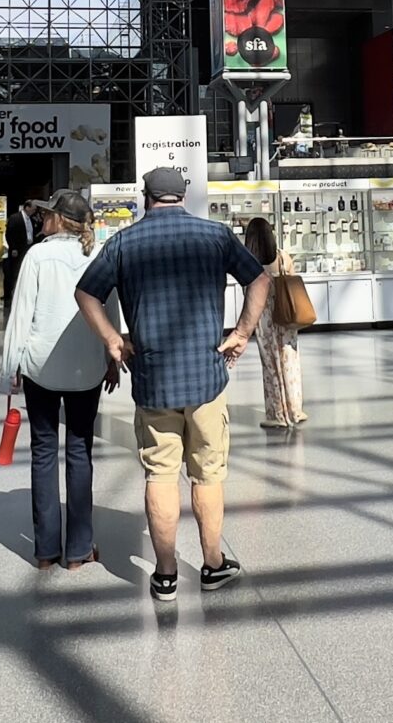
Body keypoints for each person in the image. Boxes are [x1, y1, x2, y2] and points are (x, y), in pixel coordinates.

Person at [73, 166, 272, 601]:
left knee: (160, 474)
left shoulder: (124, 242)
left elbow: (86, 292)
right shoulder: (215, 236)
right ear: (183, 196)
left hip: (153, 379)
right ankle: (213, 563)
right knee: (207, 474)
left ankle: (165, 575)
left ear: (147, 197)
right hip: (206, 377)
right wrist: (241, 334)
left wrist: (112, 340)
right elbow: (260, 279)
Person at [2, 191, 120, 569]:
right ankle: (79, 549)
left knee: (43, 451)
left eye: (47, 215)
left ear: (56, 220)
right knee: (81, 450)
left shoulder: (37, 255)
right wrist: (111, 356)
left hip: (41, 367)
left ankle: (45, 550)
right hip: (87, 367)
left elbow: (21, 313)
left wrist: (11, 366)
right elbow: (109, 309)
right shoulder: (97, 255)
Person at [244, 217, 307, 429]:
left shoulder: (249, 261)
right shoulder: (282, 256)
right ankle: (295, 410)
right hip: (286, 315)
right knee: (290, 360)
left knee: (270, 364)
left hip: (263, 319)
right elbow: (293, 280)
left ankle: (277, 413)